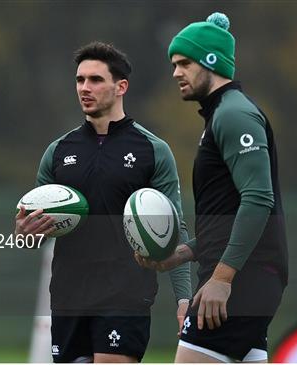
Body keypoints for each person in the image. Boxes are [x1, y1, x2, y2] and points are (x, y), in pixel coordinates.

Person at [15, 41, 192, 363]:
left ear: (120, 86)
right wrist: (25, 233)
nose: (85, 87)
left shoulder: (153, 150)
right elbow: (32, 231)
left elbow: (173, 227)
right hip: (69, 295)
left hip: (126, 294)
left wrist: (184, 298)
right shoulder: (58, 151)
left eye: (95, 79)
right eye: (80, 80)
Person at [135, 12, 289, 363]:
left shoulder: (234, 114)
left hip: (241, 281)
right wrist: (181, 254)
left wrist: (222, 277)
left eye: (184, 63)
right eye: (174, 64)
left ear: (210, 61)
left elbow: (257, 200)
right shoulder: (219, 116)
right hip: (245, 280)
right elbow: (231, 217)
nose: (176, 73)